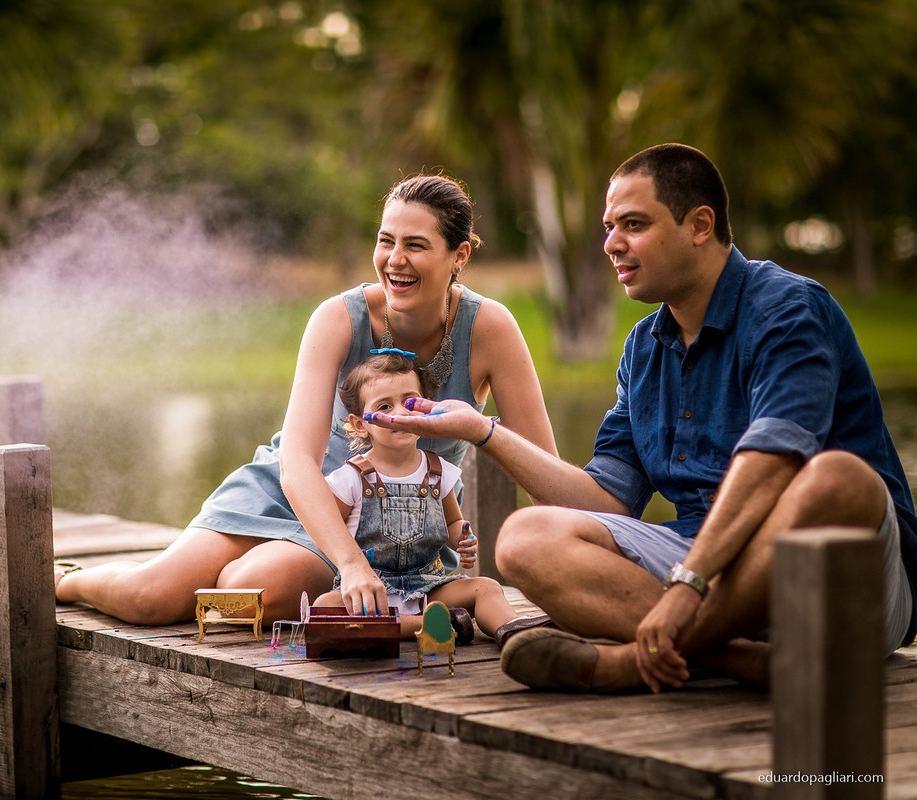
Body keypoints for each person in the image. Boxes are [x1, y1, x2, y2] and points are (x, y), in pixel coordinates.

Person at [366, 143, 917, 693]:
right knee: (524, 538)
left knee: (840, 480)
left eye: (633, 224)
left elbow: (774, 460)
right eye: (609, 227)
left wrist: (688, 584)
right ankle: (738, 658)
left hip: (838, 580)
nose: (611, 243)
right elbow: (606, 502)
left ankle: (633, 662)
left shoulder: (787, 309)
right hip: (703, 568)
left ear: (699, 225)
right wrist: (482, 430)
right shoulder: (644, 347)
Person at [0, 173, 558, 624]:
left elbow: (541, 468)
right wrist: (350, 564)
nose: (394, 261)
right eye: (385, 241)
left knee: (257, 592)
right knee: (151, 599)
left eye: (416, 245)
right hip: (292, 493)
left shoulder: (490, 329)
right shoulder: (338, 318)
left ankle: (251, 568)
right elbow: (298, 462)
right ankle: (61, 579)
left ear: (459, 256)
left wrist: (571, 575)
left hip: (393, 526)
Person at [315, 352, 538, 646]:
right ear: (360, 424)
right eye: (384, 406)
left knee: (486, 587)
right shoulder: (351, 478)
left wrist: (462, 538)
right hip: (373, 590)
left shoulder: (437, 471)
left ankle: (514, 632)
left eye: (409, 403)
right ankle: (430, 624)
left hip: (430, 586)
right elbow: (328, 529)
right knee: (324, 607)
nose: (401, 413)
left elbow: (453, 522)